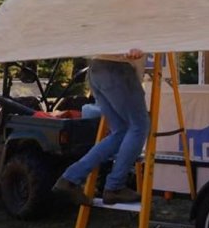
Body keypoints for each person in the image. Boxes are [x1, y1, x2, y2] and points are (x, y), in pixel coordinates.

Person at [53, 48, 148, 205]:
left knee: (120, 132)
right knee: (139, 126)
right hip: (118, 68)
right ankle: (115, 187)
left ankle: (69, 178)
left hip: (97, 68)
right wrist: (134, 46)